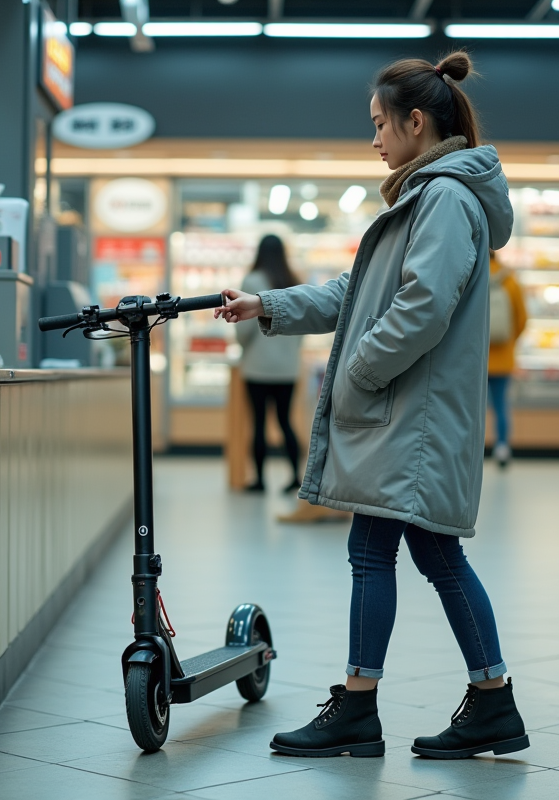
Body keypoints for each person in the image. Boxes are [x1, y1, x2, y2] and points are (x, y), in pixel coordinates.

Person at [215, 51, 528, 760]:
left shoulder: (443, 198)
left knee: (392, 553)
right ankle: (478, 700)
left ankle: (378, 706)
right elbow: (353, 294)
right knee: (415, 553)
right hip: (410, 413)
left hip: (413, 416)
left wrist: (356, 371)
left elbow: (422, 308)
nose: (375, 138)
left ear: (416, 122)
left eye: (380, 123)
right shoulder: (427, 196)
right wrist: (268, 305)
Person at [236, 235, 303, 493]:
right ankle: (296, 477)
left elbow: (243, 331)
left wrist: (244, 346)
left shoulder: (252, 281)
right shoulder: (293, 281)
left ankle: (260, 480)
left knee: (259, 423)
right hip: (288, 368)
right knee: (286, 422)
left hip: (258, 367)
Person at [487, 252, 528, 468]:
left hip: (477, 358)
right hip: (504, 358)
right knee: (501, 404)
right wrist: (510, 341)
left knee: (471, 407)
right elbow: (522, 318)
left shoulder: (473, 276)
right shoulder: (510, 279)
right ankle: (502, 447)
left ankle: (472, 447)